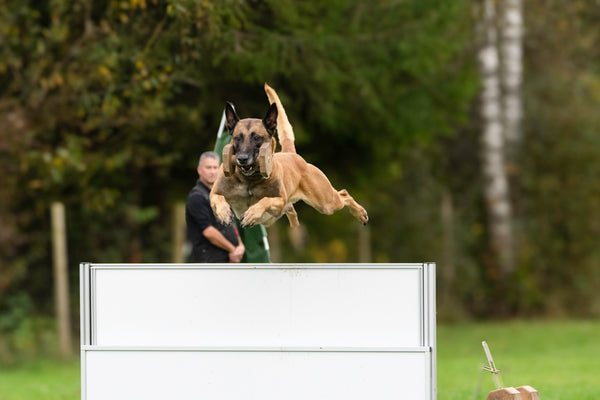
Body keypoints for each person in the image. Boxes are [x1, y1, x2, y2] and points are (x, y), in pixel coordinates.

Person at [186, 151, 245, 263]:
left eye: (215, 167)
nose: (212, 172)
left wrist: (240, 246)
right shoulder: (196, 197)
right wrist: (232, 249)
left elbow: (231, 224)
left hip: (228, 260)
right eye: (208, 168)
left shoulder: (223, 195)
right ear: (199, 170)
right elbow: (208, 231)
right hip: (209, 263)